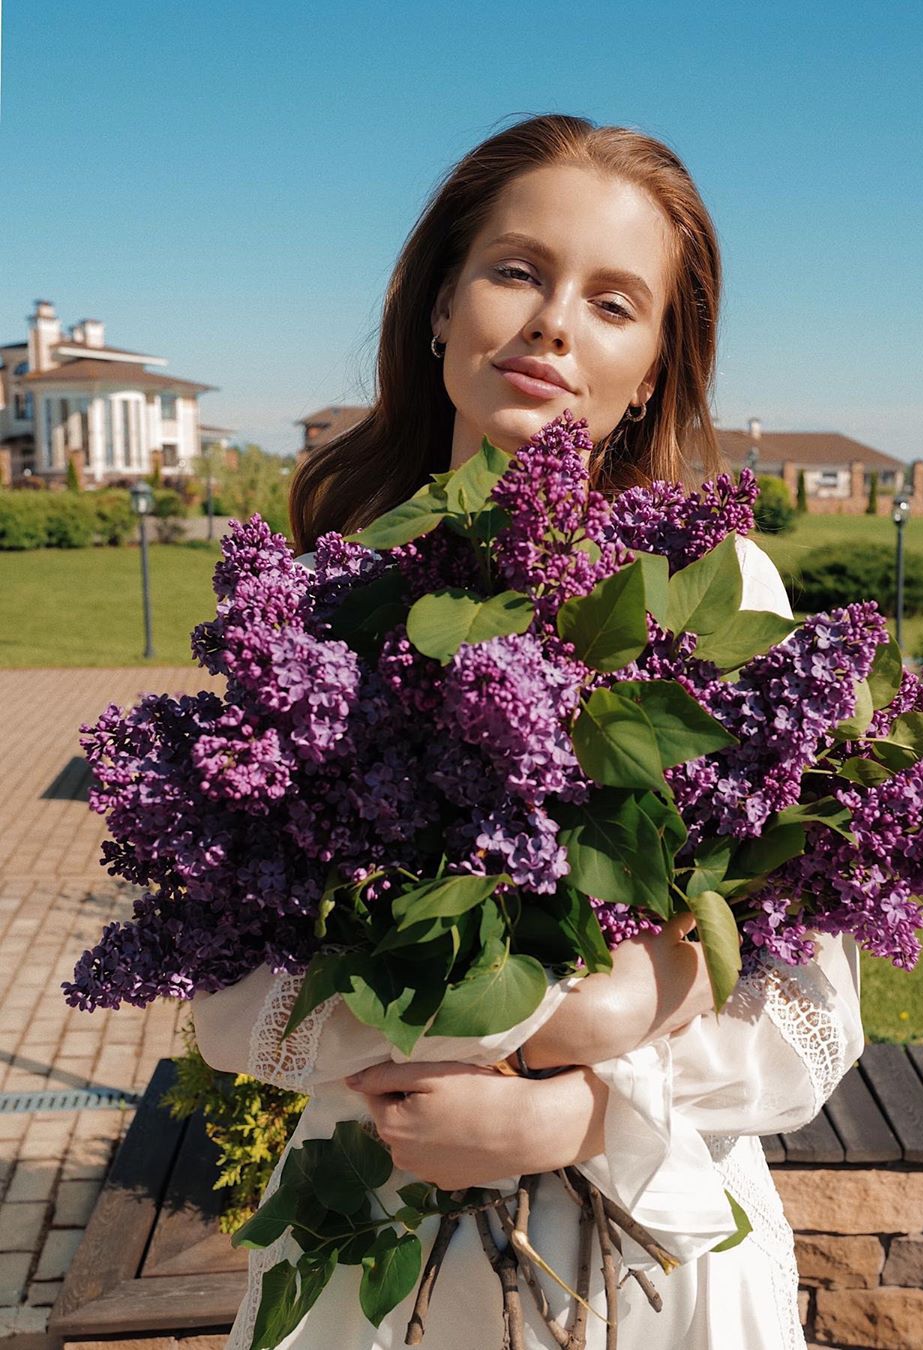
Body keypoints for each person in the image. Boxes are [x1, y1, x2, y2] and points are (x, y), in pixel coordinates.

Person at [192, 113, 863, 1350]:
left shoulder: (721, 593)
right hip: (383, 1232)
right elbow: (229, 1001)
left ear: (653, 367)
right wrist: (492, 1034)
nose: (555, 323)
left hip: (650, 1249)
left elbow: (814, 1020)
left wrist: (588, 1105)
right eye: (517, 271)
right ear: (441, 305)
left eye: (614, 302)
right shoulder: (316, 599)